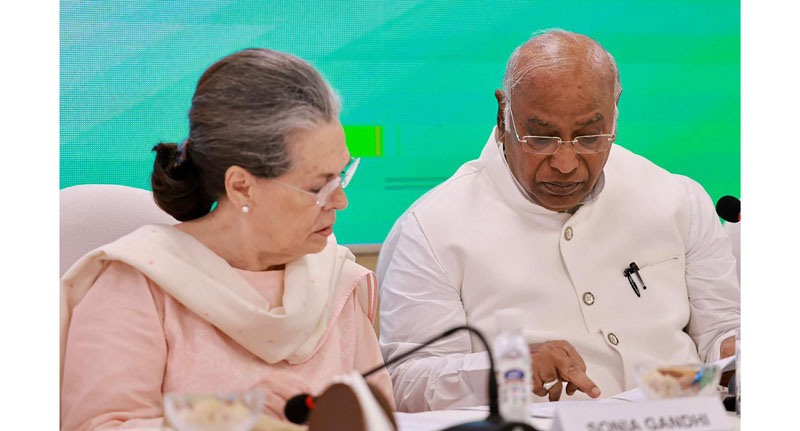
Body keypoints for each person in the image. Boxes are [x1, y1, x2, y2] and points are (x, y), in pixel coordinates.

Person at [377, 29, 740, 412]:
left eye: (589, 136)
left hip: (688, 417)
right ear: (503, 115)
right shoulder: (430, 229)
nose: (565, 164)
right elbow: (405, 382)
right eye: (541, 138)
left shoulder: (677, 198)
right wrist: (507, 369)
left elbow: (722, 330)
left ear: (616, 111)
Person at [60, 48, 394, 431]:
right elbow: (100, 426)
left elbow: (381, 419)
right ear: (241, 186)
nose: (341, 201)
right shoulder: (137, 283)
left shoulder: (336, 281)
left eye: (342, 176)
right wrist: (230, 417)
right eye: (319, 186)